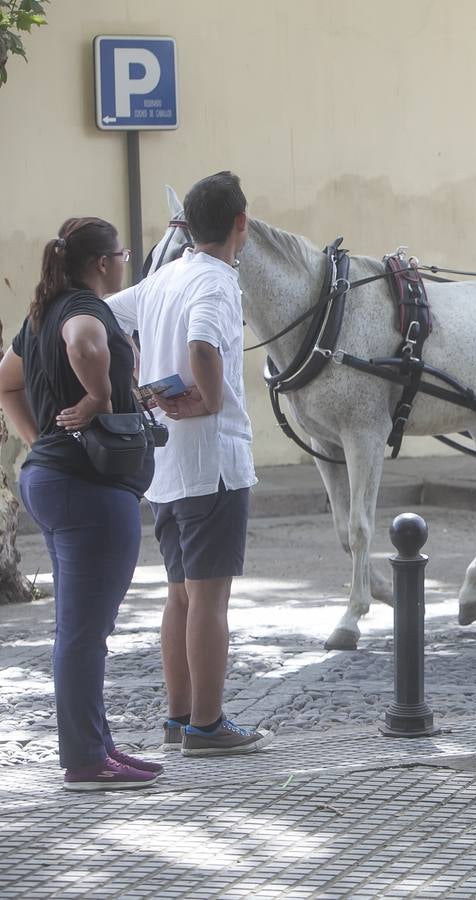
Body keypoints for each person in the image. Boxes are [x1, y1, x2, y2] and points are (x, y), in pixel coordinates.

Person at [105, 172, 270, 757]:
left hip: (169, 468)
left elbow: (105, 319)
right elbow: (202, 345)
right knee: (209, 599)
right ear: (239, 224)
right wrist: (210, 396)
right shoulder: (218, 281)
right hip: (214, 463)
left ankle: (178, 718)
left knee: (179, 596)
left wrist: (140, 383)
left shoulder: (161, 278)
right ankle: (207, 723)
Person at [0, 218, 160, 790]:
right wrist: (96, 396)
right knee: (84, 632)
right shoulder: (81, 312)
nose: (125, 260)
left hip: (53, 479)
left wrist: (41, 435)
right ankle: (87, 762)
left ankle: (97, 747)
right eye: (121, 253)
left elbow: (6, 381)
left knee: (79, 626)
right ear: (102, 263)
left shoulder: (41, 313)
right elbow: (86, 342)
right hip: (87, 490)